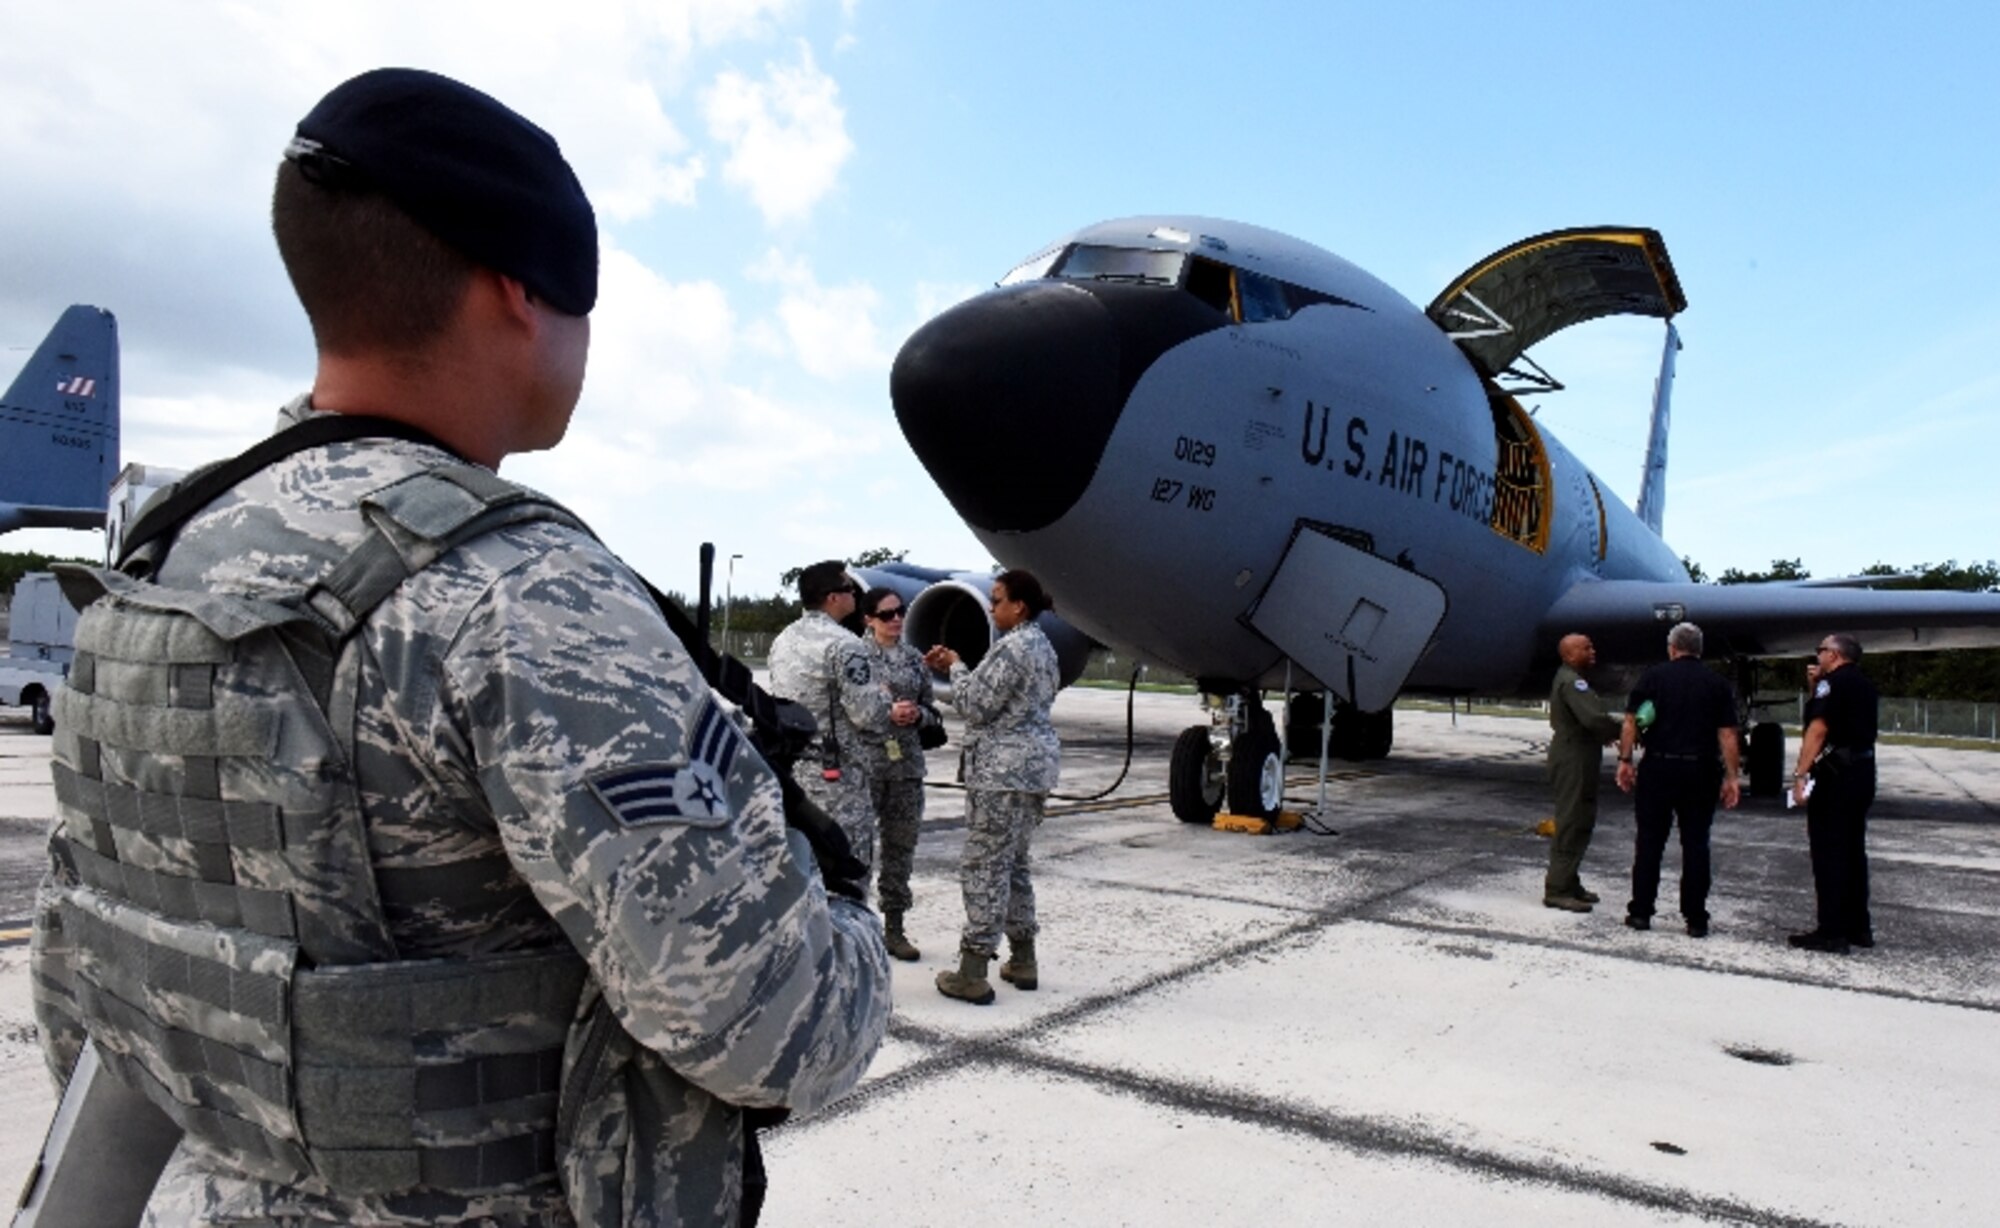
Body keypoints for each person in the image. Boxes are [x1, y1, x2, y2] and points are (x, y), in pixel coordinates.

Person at [30, 68, 888, 1227]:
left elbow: (84, 981)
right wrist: (838, 900)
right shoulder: (522, 596)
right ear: (516, 293)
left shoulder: (162, 563)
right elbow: (774, 1029)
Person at [923, 570, 1061, 1005]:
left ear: (1018, 606)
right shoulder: (1042, 645)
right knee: (1014, 863)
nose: (991, 606)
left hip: (1002, 774)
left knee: (984, 866)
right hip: (1034, 770)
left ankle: (973, 970)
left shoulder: (1013, 648)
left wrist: (956, 666)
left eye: (997, 600)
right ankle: (1023, 958)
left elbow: (973, 704)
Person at [1615, 621, 1741, 938]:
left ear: (1672, 648)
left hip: (1658, 768)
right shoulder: (1717, 684)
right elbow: (1727, 734)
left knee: (1649, 844)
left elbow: (1631, 722)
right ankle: (1696, 919)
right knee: (1696, 844)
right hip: (1700, 770)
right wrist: (1732, 776)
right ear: (1699, 650)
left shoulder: (1653, 677)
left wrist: (1625, 760)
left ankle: (1641, 912)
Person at [767, 560, 892, 873]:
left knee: (807, 874)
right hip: (838, 782)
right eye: (850, 589)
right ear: (833, 598)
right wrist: (884, 698)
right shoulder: (845, 645)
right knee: (847, 873)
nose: (856, 596)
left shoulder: (783, 640)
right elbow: (867, 716)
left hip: (795, 778)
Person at [849, 587, 943, 961]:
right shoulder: (853, 657)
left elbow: (934, 713)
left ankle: (895, 927)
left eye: (900, 612)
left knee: (900, 850)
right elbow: (842, 713)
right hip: (865, 767)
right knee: (856, 851)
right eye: (887, 614)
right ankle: (855, 927)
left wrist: (918, 715)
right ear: (868, 619)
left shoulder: (914, 661)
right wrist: (882, 711)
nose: (896, 620)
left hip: (905, 767)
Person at [1788, 634, 1880, 954]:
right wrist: (1816, 687)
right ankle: (1859, 928)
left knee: (1828, 852)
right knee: (1854, 851)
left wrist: (1800, 774)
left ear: (1836, 654)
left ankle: (1831, 932)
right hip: (1862, 771)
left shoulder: (1833, 684)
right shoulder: (1864, 684)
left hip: (1837, 775)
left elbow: (1819, 728)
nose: (1818, 655)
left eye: (1822, 650)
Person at [1543, 633, 1623, 912]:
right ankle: (1557, 889)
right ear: (1568, 655)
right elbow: (1592, 718)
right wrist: (1624, 729)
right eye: (1585, 648)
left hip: (1581, 754)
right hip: (1573, 756)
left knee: (1581, 817)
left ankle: (1570, 880)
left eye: (1592, 646)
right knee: (1571, 820)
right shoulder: (1572, 681)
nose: (1592, 651)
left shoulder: (1574, 679)